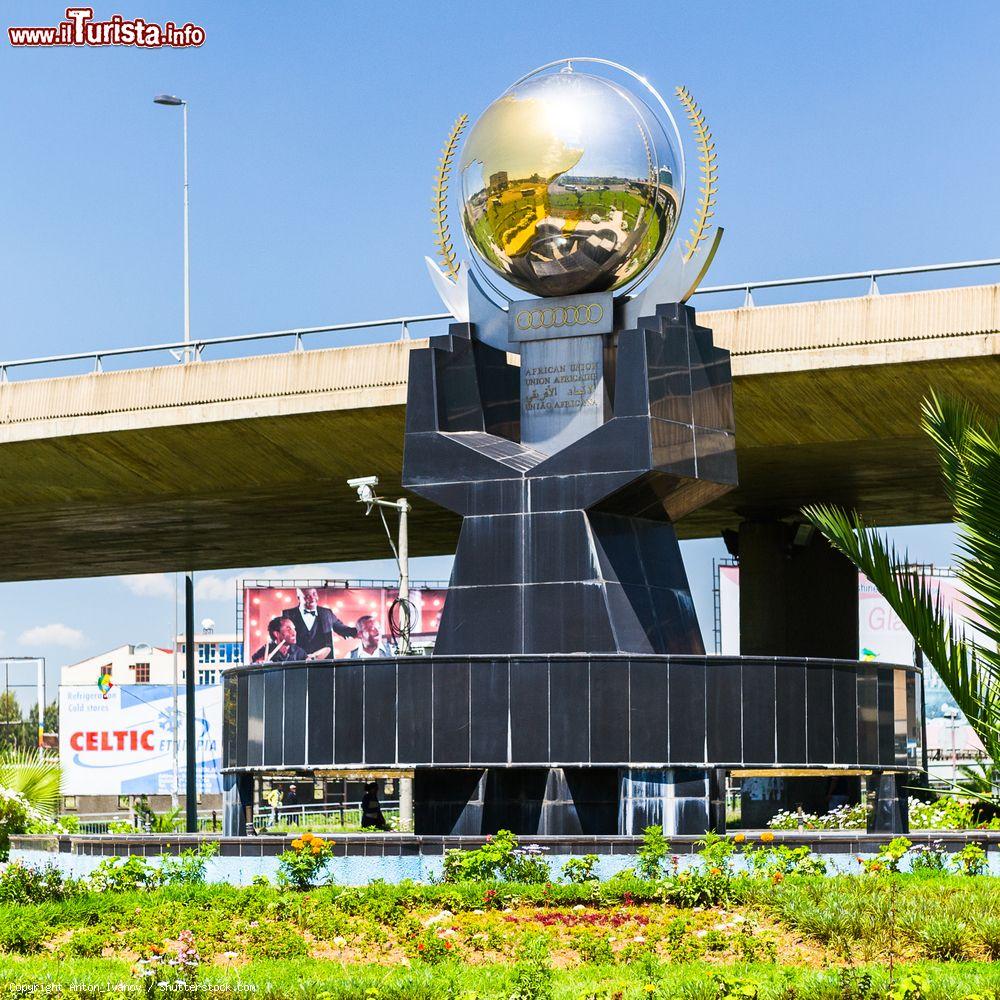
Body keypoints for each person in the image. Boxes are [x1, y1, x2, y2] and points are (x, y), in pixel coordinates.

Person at [283, 587, 357, 660]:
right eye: (307, 596)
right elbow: (283, 638)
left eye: (314, 594)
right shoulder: (288, 614)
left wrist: (358, 632)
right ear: (299, 598)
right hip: (297, 662)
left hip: (324, 663)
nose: (312, 598)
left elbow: (342, 629)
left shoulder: (327, 613)